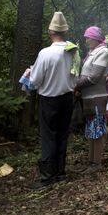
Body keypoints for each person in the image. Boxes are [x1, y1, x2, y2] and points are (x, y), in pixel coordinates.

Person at [28, 12, 76, 189]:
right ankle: (60, 172)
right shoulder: (72, 51)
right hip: (67, 98)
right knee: (62, 134)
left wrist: (30, 73)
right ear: (65, 32)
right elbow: (75, 76)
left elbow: (35, 81)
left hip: (49, 99)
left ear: (51, 32)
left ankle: (48, 175)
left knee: (49, 136)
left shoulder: (46, 53)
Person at [74, 26, 108, 172]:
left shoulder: (103, 52)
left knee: (97, 130)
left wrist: (75, 85)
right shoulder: (92, 52)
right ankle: (91, 162)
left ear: (95, 38)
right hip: (88, 97)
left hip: (97, 97)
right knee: (91, 131)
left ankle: (97, 163)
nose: (86, 39)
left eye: (88, 37)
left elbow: (94, 77)